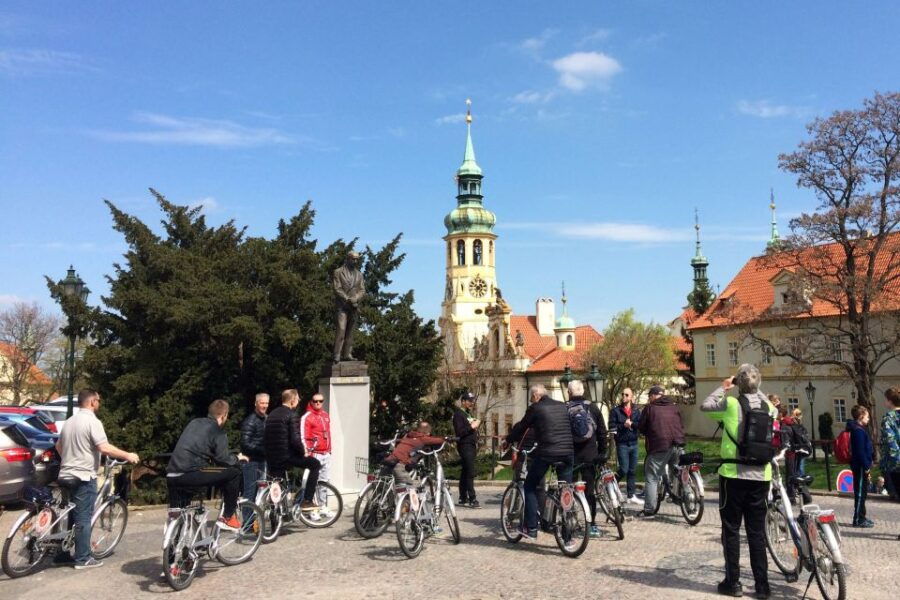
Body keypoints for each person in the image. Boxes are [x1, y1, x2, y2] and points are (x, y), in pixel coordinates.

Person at [701, 364, 776, 599]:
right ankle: (762, 586)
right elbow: (765, 399)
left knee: (731, 530)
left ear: (739, 385)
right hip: (761, 476)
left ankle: (733, 583)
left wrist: (725, 387)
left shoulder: (732, 404)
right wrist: (755, 387)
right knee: (756, 532)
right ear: (759, 384)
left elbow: (706, 405)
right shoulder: (769, 408)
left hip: (733, 475)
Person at [55, 389, 139, 569]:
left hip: (65, 474)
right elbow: (104, 447)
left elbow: (58, 446)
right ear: (92, 401)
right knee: (84, 517)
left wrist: (70, 459)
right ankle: (83, 558)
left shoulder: (69, 421)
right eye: (98, 400)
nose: (99, 403)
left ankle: (62, 552)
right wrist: (128, 455)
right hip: (83, 476)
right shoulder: (93, 422)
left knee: (70, 514)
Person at [507, 385, 574, 540]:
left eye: (532, 398)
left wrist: (508, 440)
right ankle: (567, 534)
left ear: (536, 396)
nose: (532, 401)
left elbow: (522, 427)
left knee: (530, 486)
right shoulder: (562, 406)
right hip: (568, 453)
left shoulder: (536, 408)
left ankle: (531, 528)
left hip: (547, 453)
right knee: (566, 490)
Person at [167, 399, 246, 529]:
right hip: (190, 473)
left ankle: (175, 545)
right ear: (224, 415)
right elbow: (223, 458)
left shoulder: (194, 422)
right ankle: (228, 517)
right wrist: (237, 458)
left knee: (179, 513)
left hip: (171, 474)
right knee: (234, 473)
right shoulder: (218, 430)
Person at [263, 389, 321, 512]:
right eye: (298, 398)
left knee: (276, 485)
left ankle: (276, 522)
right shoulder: (291, 415)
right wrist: (302, 452)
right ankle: (307, 501)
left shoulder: (272, 414)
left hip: (272, 457)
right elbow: (295, 440)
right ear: (293, 400)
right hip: (286, 456)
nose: (299, 400)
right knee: (315, 465)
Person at [566, 380, 608, 537]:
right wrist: (602, 453)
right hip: (590, 455)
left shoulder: (565, 408)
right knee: (590, 491)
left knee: (569, 488)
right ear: (583, 391)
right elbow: (602, 432)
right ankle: (592, 525)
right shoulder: (593, 408)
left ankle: (570, 521)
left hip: (571, 455)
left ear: (569, 392)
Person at [637, 384, 685, 518]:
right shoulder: (674, 407)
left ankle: (649, 509)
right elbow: (680, 424)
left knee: (651, 476)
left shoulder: (650, 408)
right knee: (677, 471)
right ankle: (678, 496)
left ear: (653, 396)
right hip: (678, 444)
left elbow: (642, 426)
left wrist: (646, 431)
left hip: (660, 446)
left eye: (649, 396)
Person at [380, 421, 448, 484]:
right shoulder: (423, 438)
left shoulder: (408, 436)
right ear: (428, 432)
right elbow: (439, 440)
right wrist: (447, 438)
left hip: (388, 461)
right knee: (408, 489)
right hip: (399, 464)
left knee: (382, 487)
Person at [301, 393, 334, 516]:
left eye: (320, 401)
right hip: (315, 453)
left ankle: (322, 505)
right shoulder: (307, 417)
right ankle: (312, 509)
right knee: (312, 481)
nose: (318, 403)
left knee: (324, 481)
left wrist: (329, 450)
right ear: (311, 402)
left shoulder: (325, 415)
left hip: (326, 452)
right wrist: (308, 451)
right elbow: (303, 436)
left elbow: (328, 434)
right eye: (315, 401)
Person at [608, 387, 642, 504]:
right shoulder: (615, 411)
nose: (624, 396)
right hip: (622, 444)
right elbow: (612, 427)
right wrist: (624, 425)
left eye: (627, 395)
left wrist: (632, 424)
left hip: (634, 443)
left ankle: (631, 495)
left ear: (631, 396)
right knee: (624, 469)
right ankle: (611, 484)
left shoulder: (636, 410)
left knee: (632, 470)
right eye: (622, 394)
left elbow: (640, 425)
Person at [332, 251, 365, 363]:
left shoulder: (359, 274)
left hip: (354, 306)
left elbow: (362, 290)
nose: (355, 261)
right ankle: (337, 354)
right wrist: (347, 298)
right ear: (347, 259)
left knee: (351, 331)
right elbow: (337, 288)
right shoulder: (338, 272)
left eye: (357, 259)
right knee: (341, 329)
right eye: (353, 259)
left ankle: (347, 354)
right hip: (342, 306)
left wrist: (356, 298)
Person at [240, 392, 268, 517]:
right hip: (251, 462)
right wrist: (262, 450)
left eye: (267, 403)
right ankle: (247, 523)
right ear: (256, 403)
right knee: (250, 492)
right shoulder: (250, 421)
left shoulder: (265, 419)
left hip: (262, 460)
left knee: (260, 492)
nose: (265, 405)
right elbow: (245, 444)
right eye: (262, 403)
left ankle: (255, 521)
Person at [847, 404, 874, 528]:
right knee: (859, 493)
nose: (868, 419)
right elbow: (860, 452)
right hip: (860, 466)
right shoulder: (858, 431)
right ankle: (857, 519)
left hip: (862, 465)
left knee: (862, 493)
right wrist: (866, 466)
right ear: (861, 416)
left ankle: (862, 516)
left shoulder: (859, 429)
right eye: (867, 416)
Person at [453, 391, 480, 508]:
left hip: (471, 444)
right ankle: (472, 497)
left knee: (465, 471)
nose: (471, 403)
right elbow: (459, 432)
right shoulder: (459, 414)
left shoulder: (468, 413)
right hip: (465, 445)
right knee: (470, 471)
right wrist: (471, 426)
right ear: (463, 402)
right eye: (469, 401)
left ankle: (462, 496)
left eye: (472, 401)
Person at [879, 387, 900, 512]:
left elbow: (890, 441)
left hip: (895, 465)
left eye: (885, 399)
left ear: (890, 401)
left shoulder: (888, 418)